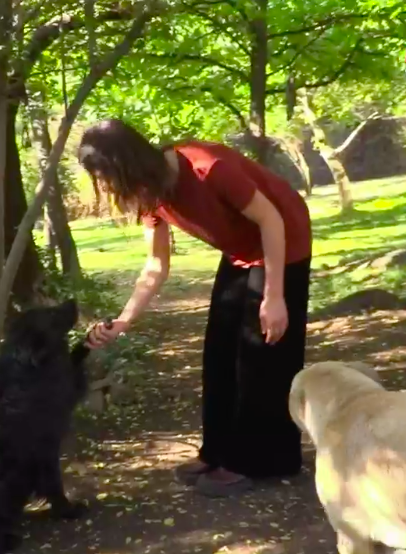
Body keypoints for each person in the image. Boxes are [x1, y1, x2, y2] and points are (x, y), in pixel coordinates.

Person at [77, 119, 312, 497]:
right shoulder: (151, 193)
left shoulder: (207, 167)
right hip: (241, 252)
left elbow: (270, 219)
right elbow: (155, 265)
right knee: (218, 353)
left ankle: (262, 460)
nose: (107, 187)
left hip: (284, 237)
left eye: (107, 176)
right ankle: (217, 452)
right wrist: (124, 320)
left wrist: (274, 296)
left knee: (262, 353)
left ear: (129, 164)